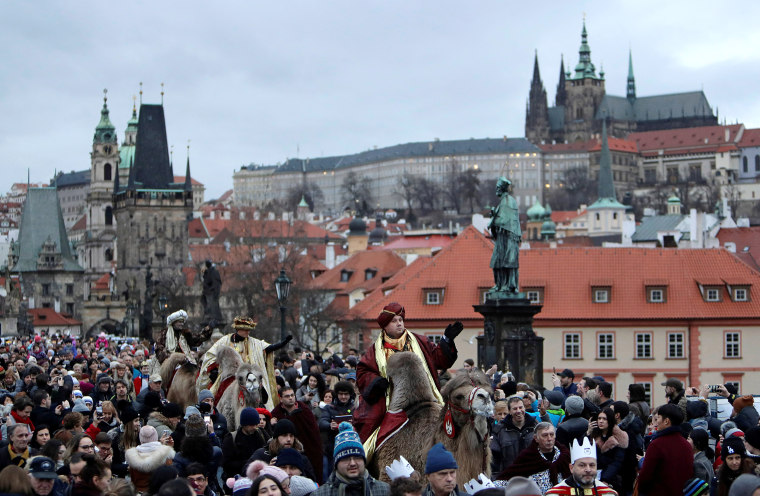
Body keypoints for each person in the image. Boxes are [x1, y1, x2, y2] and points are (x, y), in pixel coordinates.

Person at [354, 303, 460, 456]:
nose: (399, 323)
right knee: (372, 427)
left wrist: (447, 340)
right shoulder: (375, 351)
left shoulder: (419, 341)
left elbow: (439, 359)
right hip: (392, 401)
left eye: (401, 320)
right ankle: (367, 457)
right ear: (385, 325)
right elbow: (363, 372)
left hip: (424, 396)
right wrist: (376, 381)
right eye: (394, 321)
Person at [198, 316, 291, 411]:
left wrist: (282, 343)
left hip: (250, 377)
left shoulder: (254, 342)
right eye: (246, 329)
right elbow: (211, 355)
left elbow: (268, 348)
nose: (248, 332)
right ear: (238, 329)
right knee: (216, 393)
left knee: (261, 393)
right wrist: (213, 369)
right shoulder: (225, 340)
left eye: (249, 330)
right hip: (231, 376)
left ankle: (263, 410)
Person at [314, 423, 390, 496]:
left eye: (357, 457)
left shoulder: (385, 491)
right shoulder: (321, 494)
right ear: (336, 464)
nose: (352, 463)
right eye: (346, 459)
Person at [496, 422, 571, 494]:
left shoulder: (564, 456)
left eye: (551, 435)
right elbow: (508, 478)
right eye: (545, 435)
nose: (549, 439)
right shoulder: (528, 457)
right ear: (536, 438)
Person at [636, 403, 693, 496]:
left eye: (658, 418)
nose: (656, 422)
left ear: (666, 421)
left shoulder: (656, 445)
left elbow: (645, 476)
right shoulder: (686, 445)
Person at [271, 387, 323, 483]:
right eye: (287, 396)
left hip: (307, 453)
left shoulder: (305, 411)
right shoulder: (276, 413)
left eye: (292, 395)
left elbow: (314, 435)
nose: (290, 398)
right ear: (281, 399)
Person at [545, 437, 618, 495]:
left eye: (592, 465)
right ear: (571, 468)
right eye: (582, 465)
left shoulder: (608, 494)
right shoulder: (556, 494)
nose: (588, 469)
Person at [488, 176, 521, 294]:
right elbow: (499, 220)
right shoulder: (503, 202)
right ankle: (500, 284)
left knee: (508, 262)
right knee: (496, 263)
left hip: (508, 238)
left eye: (498, 187)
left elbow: (506, 221)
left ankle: (508, 285)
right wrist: (494, 216)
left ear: (502, 188)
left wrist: (494, 220)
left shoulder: (509, 201)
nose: (496, 189)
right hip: (502, 237)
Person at [490, 396, 538, 475]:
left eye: (520, 407)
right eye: (515, 409)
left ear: (524, 408)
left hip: (533, 476)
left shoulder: (535, 426)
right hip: (509, 477)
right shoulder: (499, 429)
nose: (518, 411)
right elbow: (495, 459)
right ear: (509, 411)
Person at [124, 426, 176, 493]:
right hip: (160, 492)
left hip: (138, 492)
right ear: (156, 437)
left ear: (140, 438)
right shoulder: (165, 454)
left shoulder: (132, 456)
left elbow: (133, 479)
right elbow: (170, 477)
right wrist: (166, 447)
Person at [586, 407, 627, 491]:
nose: (601, 421)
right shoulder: (594, 435)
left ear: (610, 420)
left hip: (611, 478)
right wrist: (588, 433)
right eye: (599, 418)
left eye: (604, 419)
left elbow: (617, 462)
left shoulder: (619, 438)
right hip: (593, 475)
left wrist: (605, 479)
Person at [319, 381, 355, 470]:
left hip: (352, 445)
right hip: (333, 446)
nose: (343, 397)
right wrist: (330, 425)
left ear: (350, 394)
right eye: (341, 394)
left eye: (346, 394)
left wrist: (354, 423)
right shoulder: (329, 408)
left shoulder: (355, 407)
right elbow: (322, 422)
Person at [221, 407, 266, 478]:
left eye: (256, 424)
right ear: (244, 425)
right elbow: (226, 464)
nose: (254, 427)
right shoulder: (231, 438)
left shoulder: (260, 434)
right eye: (251, 425)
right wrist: (249, 463)